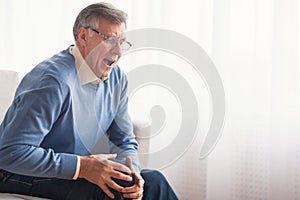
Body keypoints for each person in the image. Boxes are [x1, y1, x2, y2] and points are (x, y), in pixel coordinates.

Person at [0, 2, 178, 200]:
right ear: (83, 37)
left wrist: (133, 173)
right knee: (112, 192)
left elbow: (124, 140)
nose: (118, 52)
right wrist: (83, 166)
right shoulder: (52, 82)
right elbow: (10, 153)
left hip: (61, 173)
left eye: (122, 42)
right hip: (13, 173)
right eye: (110, 40)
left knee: (154, 181)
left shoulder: (117, 78)